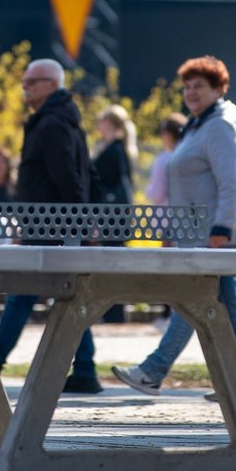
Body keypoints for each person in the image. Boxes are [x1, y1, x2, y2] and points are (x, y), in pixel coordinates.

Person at [0, 58, 103, 394]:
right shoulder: (62, 121)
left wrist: (78, 222)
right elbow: (77, 176)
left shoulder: (52, 124)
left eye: (31, 82)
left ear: (51, 84)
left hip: (51, 226)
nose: (25, 88)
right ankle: (85, 368)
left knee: (28, 294)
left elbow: (68, 177)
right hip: (49, 225)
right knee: (64, 295)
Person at [112, 56, 236, 401]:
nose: (191, 93)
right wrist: (174, 232)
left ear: (219, 88)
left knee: (193, 299)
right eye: (187, 86)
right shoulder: (199, 123)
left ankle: (154, 370)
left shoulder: (221, 123)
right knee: (225, 300)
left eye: (200, 86)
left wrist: (222, 227)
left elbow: (232, 182)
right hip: (197, 232)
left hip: (216, 233)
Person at [92, 104, 138, 323]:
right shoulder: (121, 149)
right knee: (114, 262)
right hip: (118, 217)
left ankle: (113, 311)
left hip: (111, 218)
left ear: (109, 123)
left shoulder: (112, 150)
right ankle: (114, 310)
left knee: (111, 263)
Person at [145, 112, 189, 332]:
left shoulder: (164, 159)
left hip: (167, 219)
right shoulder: (187, 155)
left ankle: (167, 313)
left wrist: (147, 190)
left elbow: (156, 192)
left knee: (167, 267)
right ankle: (170, 312)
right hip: (186, 218)